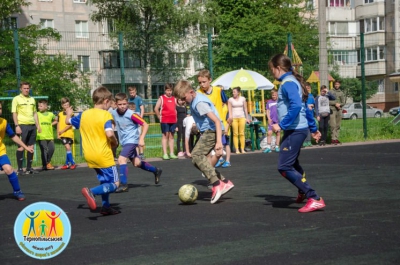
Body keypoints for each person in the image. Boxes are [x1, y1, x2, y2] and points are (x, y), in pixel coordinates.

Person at [268, 54, 325, 213]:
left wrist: (281, 125)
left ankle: (314, 197)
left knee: (284, 166)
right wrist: (313, 129)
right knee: (292, 163)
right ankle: (302, 191)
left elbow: (294, 108)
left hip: (294, 130)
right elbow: (304, 108)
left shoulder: (288, 84)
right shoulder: (293, 81)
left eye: (272, 70)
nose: (271, 73)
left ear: (278, 68)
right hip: (296, 129)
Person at [173, 80, 234, 204]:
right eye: (180, 100)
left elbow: (217, 121)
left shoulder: (199, 103)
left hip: (212, 131)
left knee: (196, 155)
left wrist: (218, 143)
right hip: (209, 131)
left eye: (184, 98)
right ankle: (224, 182)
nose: (183, 102)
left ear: (190, 92)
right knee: (197, 161)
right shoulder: (195, 99)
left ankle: (217, 184)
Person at [66, 86, 120, 215]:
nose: (110, 106)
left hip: (89, 155)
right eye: (110, 103)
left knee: (104, 181)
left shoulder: (84, 114)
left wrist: (68, 115)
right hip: (103, 154)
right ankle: (92, 192)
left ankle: (106, 207)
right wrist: (115, 142)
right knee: (116, 183)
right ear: (106, 101)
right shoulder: (106, 114)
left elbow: (68, 121)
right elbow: (109, 133)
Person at [111, 93, 162, 193]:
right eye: (120, 104)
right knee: (137, 163)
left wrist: (141, 139)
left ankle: (124, 185)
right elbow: (114, 122)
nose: (122, 106)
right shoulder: (113, 113)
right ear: (116, 104)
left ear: (127, 103)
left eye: (124, 104)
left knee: (121, 159)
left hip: (132, 140)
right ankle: (156, 170)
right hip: (124, 141)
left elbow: (145, 124)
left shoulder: (132, 114)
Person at [0, 101, 34, 201]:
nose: (0, 111)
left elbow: (13, 136)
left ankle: (17, 191)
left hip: (0, 152)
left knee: (9, 169)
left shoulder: (4, 122)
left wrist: (26, 147)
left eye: (0, 108)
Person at [197, 70, 228, 167]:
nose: (202, 84)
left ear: (210, 80)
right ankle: (209, 170)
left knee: (219, 151)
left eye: (204, 82)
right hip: (206, 125)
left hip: (218, 125)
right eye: (200, 82)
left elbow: (228, 102)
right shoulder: (198, 93)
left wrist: (229, 116)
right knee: (207, 151)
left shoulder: (218, 90)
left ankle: (210, 169)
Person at [12, 82, 41, 175]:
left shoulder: (32, 99)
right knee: (21, 146)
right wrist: (17, 125)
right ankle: (20, 169)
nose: (26, 90)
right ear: (21, 89)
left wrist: (38, 125)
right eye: (24, 88)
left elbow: (35, 113)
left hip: (32, 125)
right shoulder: (16, 99)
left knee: (31, 146)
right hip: (22, 125)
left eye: (28, 88)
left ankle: (29, 168)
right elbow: (14, 113)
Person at [154, 83, 178, 160]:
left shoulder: (174, 98)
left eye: (170, 90)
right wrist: (158, 116)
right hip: (165, 120)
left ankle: (171, 153)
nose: (169, 92)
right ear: (165, 90)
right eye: (168, 90)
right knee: (165, 136)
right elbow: (156, 108)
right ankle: (165, 153)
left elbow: (175, 109)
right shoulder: (161, 98)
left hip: (173, 120)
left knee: (171, 136)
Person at [227, 87, 251, 154]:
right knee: (235, 133)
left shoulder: (243, 99)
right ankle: (237, 149)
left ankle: (242, 149)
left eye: (234, 92)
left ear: (238, 92)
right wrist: (230, 117)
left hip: (242, 117)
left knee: (242, 133)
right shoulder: (230, 99)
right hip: (234, 118)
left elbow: (245, 108)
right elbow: (229, 109)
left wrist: (247, 118)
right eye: (232, 92)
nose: (233, 93)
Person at [36, 99, 58, 170]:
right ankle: (45, 165)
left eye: (41, 106)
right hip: (41, 136)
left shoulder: (50, 114)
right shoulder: (37, 114)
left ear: (46, 106)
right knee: (44, 150)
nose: (39, 107)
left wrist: (51, 124)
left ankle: (48, 162)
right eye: (38, 106)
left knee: (52, 148)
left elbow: (56, 120)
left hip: (50, 135)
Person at [57, 97, 77, 170]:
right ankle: (73, 163)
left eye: (68, 105)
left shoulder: (71, 114)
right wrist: (59, 133)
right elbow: (58, 123)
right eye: (65, 105)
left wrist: (63, 130)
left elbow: (71, 124)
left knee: (68, 149)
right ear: (62, 105)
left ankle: (66, 163)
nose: (67, 106)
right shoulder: (60, 114)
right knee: (67, 147)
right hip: (63, 134)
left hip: (69, 133)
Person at [128, 86, 145, 159]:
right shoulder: (129, 99)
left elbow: (142, 108)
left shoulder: (138, 99)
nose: (132, 94)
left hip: (137, 116)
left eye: (133, 92)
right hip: (131, 118)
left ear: (136, 92)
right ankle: (136, 154)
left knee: (139, 135)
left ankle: (141, 153)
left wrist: (140, 118)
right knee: (133, 137)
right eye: (130, 93)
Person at [329, 80, 346, 145]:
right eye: (336, 84)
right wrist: (335, 103)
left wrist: (340, 105)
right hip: (332, 110)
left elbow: (343, 102)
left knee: (338, 125)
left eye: (338, 84)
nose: (337, 85)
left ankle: (336, 138)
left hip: (339, 110)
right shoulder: (331, 92)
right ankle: (333, 139)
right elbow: (328, 101)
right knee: (333, 125)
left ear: (339, 85)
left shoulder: (341, 92)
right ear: (334, 85)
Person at [302, 82, 315, 147]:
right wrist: (308, 105)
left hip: (311, 114)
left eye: (309, 88)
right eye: (306, 88)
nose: (308, 89)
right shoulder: (303, 95)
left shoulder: (311, 95)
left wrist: (312, 105)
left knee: (309, 128)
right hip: (304, 114)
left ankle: (309, 141)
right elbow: (302, 104)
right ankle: (304, 141)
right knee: (305, 128)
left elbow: (314, 104)